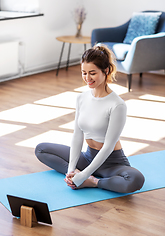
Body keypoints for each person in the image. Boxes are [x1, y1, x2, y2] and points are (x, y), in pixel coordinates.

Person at [35, 44, 145, 193]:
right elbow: (77, 135)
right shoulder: (81, 98)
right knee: (41, 149)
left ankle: (94, 182)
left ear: (106, 71)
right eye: (84, 73)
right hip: (87, 158)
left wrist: (85, 177)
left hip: (111, 163)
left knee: (135, 179)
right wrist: (72, 170)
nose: (87, 78)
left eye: (92, 73)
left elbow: (108, 146)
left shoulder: (117, 105)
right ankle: (80, 175)